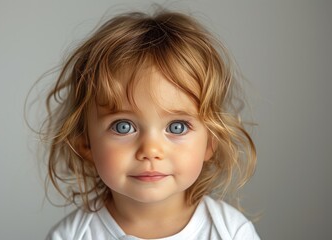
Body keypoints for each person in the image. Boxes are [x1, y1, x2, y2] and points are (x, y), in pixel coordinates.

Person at [40, 7, 260, 240]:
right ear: (85, 143)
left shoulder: (232, 232)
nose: (151, 151)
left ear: (210, 142)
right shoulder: (71, 235)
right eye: (123, 126)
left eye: (177, 127)